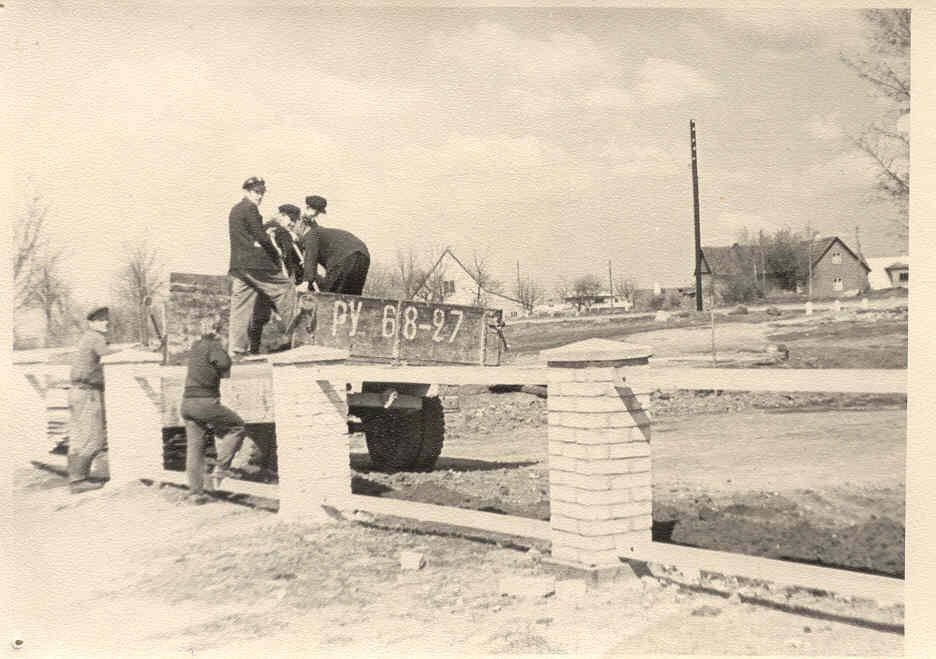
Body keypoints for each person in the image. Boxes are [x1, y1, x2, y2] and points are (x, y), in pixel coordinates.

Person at [228, 176, 298, 357]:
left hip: (239, 266)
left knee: (240, 306)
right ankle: (298, 338)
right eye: (256, 192)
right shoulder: (250, 208)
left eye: (261, 193)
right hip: (256, 264)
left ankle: (237, 349)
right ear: (246, 192)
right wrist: (274, 253)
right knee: (286, 288)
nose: (259, 196)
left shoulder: (235, 210)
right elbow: (260, 235)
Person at [180, 317, 246, 499]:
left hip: (187, 403)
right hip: (205, 402)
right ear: (217, 330)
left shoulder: (195, 347)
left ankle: (195, 493)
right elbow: (224, 366)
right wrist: (227, 351)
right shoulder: (213, 346)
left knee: (195, 449)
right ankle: (221, 469)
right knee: (237, 427)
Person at [67, 306, 120, 494]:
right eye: (100, 319)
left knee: (80, 436)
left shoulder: (89, 338)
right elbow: (107, 355)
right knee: (93, 437)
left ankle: (76, 477)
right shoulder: (95, 338)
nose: (105, 322)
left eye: (106, 319)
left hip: (79, 392)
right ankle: (78, 481)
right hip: (87, 392)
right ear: (91, 323)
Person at [246, 203, 306, 353]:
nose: (292, 223)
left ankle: (253, 349)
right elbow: (285, 259)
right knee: (289, 311)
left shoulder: (262, 227)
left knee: (258, 313)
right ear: (281, 215)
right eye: (290, 219)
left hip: (256, 277)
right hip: (274, 279)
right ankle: (295, 346)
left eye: (294, 220)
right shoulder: (282, 232)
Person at [300, 195, 370, 295]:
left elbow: (311, 258)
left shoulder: (312, 233)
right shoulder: (325, 234)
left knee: (330, 296)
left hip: (344, 257)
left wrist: (306, 282)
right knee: (351, 296)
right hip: (364, 254)